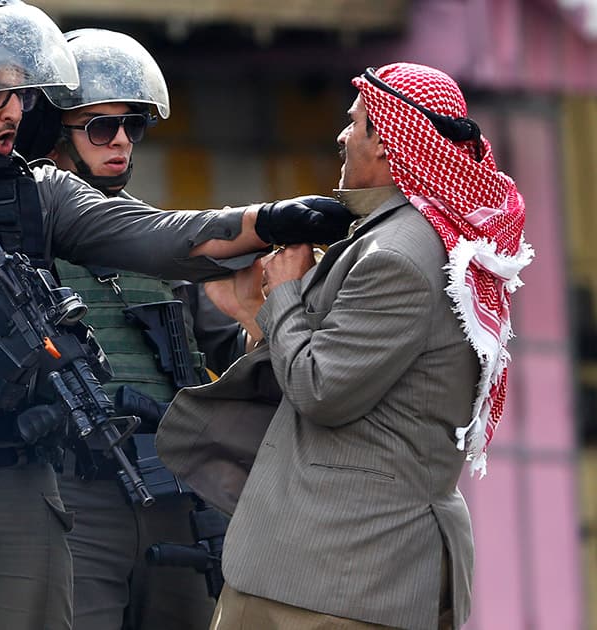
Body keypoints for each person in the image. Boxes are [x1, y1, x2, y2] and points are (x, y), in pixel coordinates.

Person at [0, 1, 353, 628]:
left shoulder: (39, 192)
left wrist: (270, 221)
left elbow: (157, 237)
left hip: (16, 484)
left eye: (21, 96)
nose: (15, 111)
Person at [160, 62, 534, 630]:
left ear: (389, 145)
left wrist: (283, 291)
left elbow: (322, 388)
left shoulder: (397, 256)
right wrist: (259, 315)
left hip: (333, 579)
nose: (341, 135)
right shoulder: (413, 238)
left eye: (354, 123)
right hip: (344, 572)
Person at [15, 28, 249, 629]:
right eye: (99, 127)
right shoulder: (15, 244)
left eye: (131, 126)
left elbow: (236, 352)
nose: (120, 142)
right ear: (50, 130)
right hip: (75, 494)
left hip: (176, 494)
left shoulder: (163, 252)